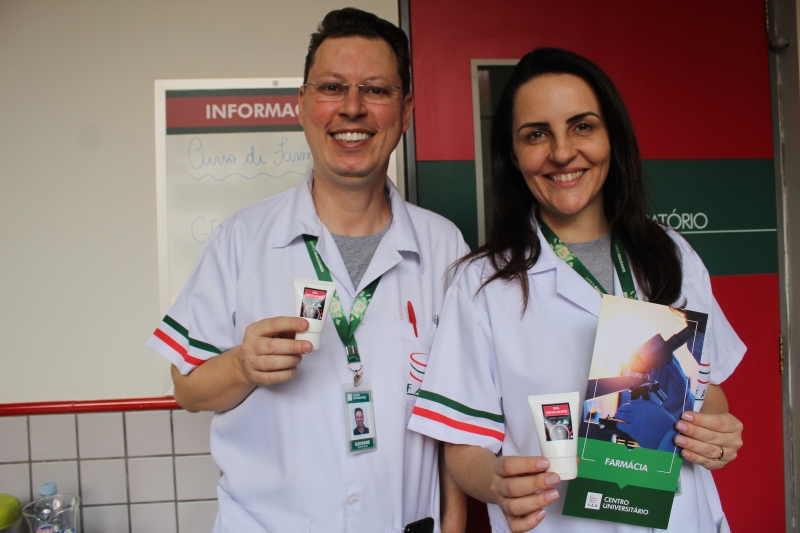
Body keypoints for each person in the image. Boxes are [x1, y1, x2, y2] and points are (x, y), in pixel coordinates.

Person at [147, 8, 469, 532]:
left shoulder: (444, 245)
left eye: (375, 90)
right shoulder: (242, 238)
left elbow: (457, 408)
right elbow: (187, 390)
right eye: (332, 88)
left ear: (406, 111)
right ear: (301, 104)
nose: (352, 108)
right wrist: (243, 365)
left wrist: (453, 525)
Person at [408, 47, 745, 533]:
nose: (562, 152)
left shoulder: (672, 254)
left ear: (612, 136)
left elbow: (709, 395)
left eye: (582, 126)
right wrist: (497, 483)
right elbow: (463, 448)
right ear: (512, 155)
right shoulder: (482, 283)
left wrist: (717, 435)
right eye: (536, 134)